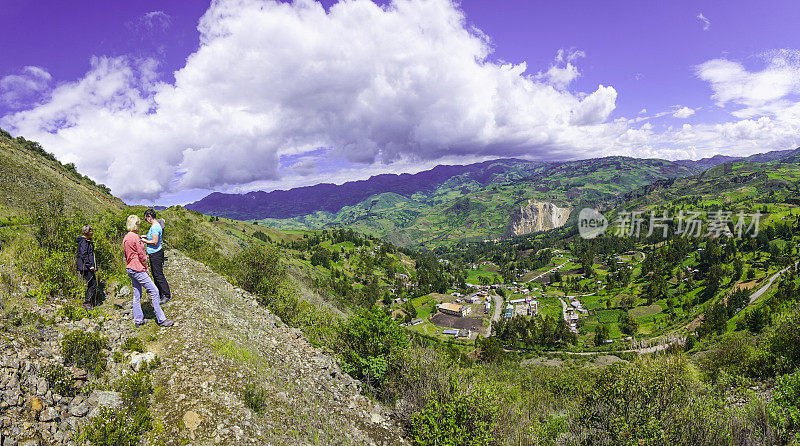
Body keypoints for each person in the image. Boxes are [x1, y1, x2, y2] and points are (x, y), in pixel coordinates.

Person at [123, 214, 173, 327]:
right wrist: (145, 267)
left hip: (129, 268)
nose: (139, 226)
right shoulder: (136, 237)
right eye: (139, 224)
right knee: (154, 292)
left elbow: (127, 254)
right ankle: (161, 319)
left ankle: (138, 320)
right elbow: (142, 256)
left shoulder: (126, 237)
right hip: (138, 268)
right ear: (135, 225)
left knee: (137, 293)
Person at [141, 209, 171, 305]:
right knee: (156, 274)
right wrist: (145, 236)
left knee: (158, 275)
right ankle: (161, 294)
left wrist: (144, 241)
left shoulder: (154, 227)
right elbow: (153, 237)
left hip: (156, 254)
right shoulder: (156, 226)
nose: (146, 220)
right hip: (155, 253)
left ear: (150, 217)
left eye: (146, 218)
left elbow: (154, 242)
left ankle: (166, 295)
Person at [76, 225, 96, 310]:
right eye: (91, 231)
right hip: (85, 267)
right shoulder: (84, 242)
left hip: (86, 266)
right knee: (93, 284)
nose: (93, 232)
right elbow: (83, 255)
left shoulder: (86, 241)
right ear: (88, 232)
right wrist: (89, 265)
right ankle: (87, 303)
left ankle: (89, 302)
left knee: (91, 283)